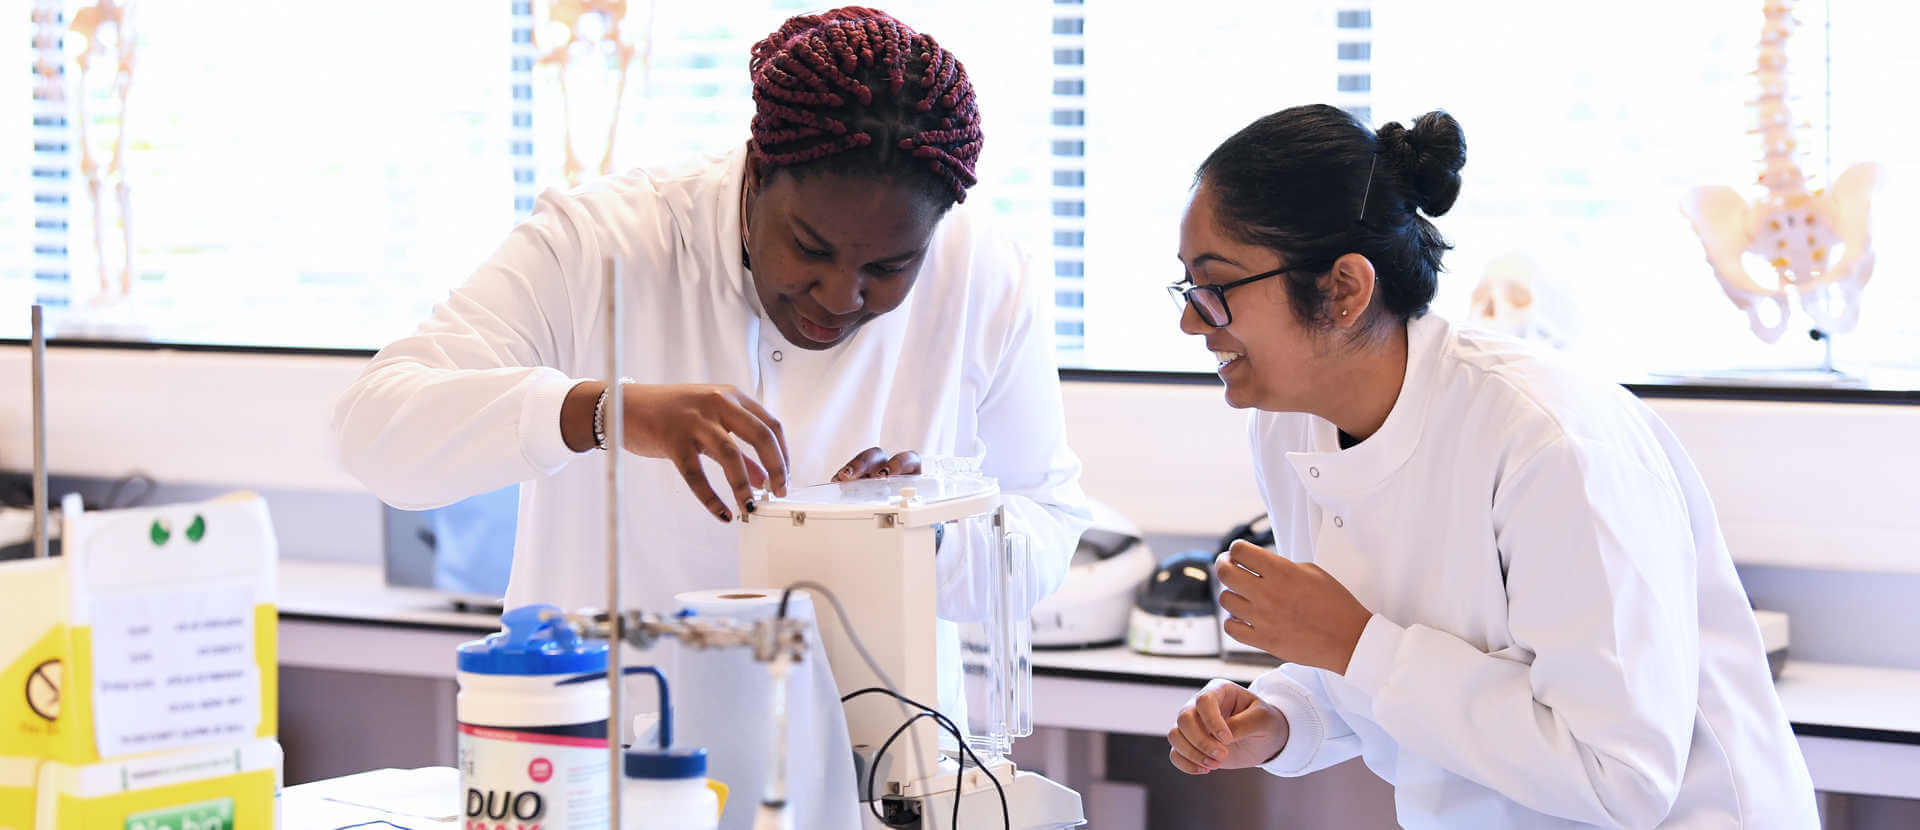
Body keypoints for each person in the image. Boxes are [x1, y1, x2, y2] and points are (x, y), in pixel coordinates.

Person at [332, 5, 1088, 705]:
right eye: (811, 249)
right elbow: (376, 433)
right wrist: (605, 413)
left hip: (876, 770)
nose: (838, 295)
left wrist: (924, 534)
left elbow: (1046, 523)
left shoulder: (982, 273)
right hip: (613, 767)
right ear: (756, 174)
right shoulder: (603, 244)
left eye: (888, 269)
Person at [1163, 105, 1816, 828]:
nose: (1193, 319)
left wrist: (1349, 641)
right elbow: (1407, 676)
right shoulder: (1288, 425)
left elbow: (1620, 778)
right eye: (1187, 287)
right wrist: (1286, 717)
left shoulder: (1549, 440)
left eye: (1215, 285)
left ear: (1345, 288)